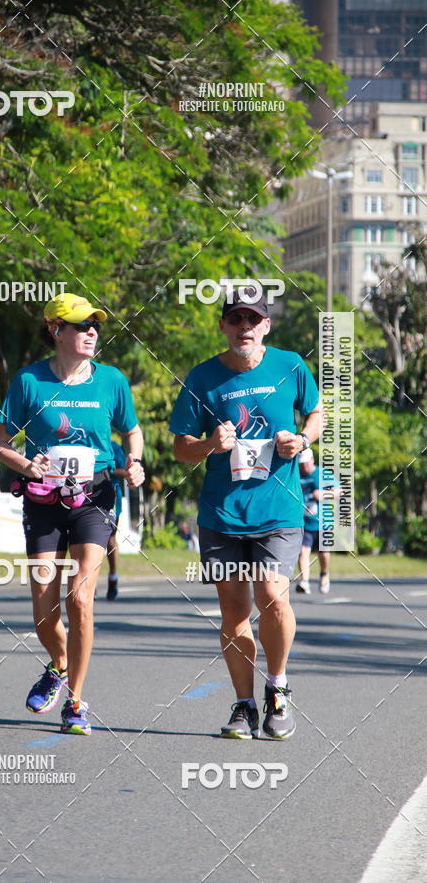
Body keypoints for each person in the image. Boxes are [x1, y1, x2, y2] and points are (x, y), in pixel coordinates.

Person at [170, 288, 321, 740]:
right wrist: (210, 446)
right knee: (234, 611)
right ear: (223, 326)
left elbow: (315, 413)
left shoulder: (290, 366)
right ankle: (243, 705)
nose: (244, 328)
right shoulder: (202, 378)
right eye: (235, 320)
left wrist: (303, 440)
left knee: (273, 597)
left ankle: (277, 687)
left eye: (253, 320)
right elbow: (181, 448)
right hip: (222, 513)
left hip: (278, 509)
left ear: (266, 327)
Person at [0, 293, 144, 735]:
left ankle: (75, 702)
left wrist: (133, 462)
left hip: (94, 499)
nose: (91, 332)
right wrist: (25, 463)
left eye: (94, 325)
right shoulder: (28, 382)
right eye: (80, 325)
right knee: (43, 610)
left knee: (80, 599)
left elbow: (132, 433)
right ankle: (57, 664)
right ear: (56, 330)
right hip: (43, 501)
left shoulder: (112, 381)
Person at [297, 448, 341, 595]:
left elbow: (340, 491)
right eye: (301, 464)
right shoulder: (296, 474)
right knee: (303, 552)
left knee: (323, 553)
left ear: (312, 460)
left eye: (306, 463)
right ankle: (304, 581)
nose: (304, 467)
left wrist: (323, 494)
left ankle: (324, 574)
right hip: (304, 523)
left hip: (323, 522)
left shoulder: (322, 473)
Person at [105, 440, 128, 601]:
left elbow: (125, 471)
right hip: (82, 498)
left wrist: (106, 471)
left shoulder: (113, 447)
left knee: (110, 541)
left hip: (110, 499)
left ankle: (113, 575)